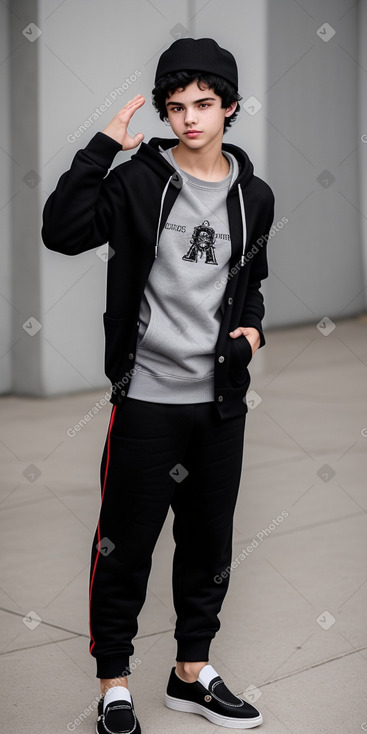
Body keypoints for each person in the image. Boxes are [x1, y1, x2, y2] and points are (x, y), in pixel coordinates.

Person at [42, 36, 275, 734]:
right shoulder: (139, 182)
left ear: (230, 107)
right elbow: (61, 231)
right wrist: (99, 150)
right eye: (176, 107)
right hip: (147, 400)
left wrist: (251, 333)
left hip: (219, 402)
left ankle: (190, 673)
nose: (188, 119)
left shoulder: (253, 196)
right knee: (126, 543)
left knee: (207, 543)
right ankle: (113, 683)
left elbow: (251, 283)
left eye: (203, 104)